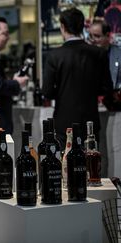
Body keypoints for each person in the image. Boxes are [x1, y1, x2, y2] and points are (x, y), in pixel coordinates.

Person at [42, 8, 113, 146]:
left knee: (65, 165)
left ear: (62, 27)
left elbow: (47, 92)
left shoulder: (54, 56)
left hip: (64, 122)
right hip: (89, 122)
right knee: (90, 164)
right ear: (82, 27)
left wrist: (64, 92)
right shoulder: (99, 54)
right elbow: (106, 88)